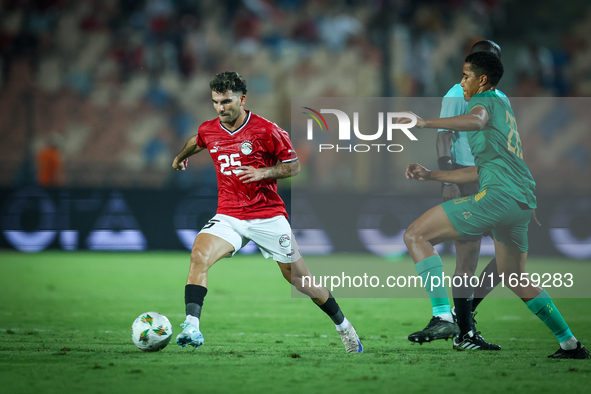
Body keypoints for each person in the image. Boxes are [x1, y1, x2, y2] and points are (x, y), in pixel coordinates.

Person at [400, 52, 589, 359]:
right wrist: (432, 175)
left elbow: (474, 121)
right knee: (514, 276)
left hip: (497, 197)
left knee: (415, 235)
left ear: (482, 79)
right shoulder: (505, 111)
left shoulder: (486, 103)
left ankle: (444, 318)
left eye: (465, 75)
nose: (462, 81)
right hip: (521, 201)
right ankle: (570, 343)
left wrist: (423, 122)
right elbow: (483, 170)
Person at [171, 71, 363, 353]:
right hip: (229, 215)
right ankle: (191, 326)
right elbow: (197, 140)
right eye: (215, 102)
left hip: (268, 216)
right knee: (199, 256)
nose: (221, 108)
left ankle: (344, 327)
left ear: (242, 99)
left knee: (300, 281)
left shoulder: (267, 130)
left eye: (226, 101)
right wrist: (179, 158)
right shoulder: (209, 129)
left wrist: (263, 172)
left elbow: (294, 166)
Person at [409, 40, 508, 350]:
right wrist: (446, 177)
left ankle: (462, 314)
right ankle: (464, 330)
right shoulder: (456, 94)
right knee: (468, 259)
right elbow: (444, 137)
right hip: (466, 178)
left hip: (496, 180)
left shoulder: (500, 98)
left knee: (508, 261)